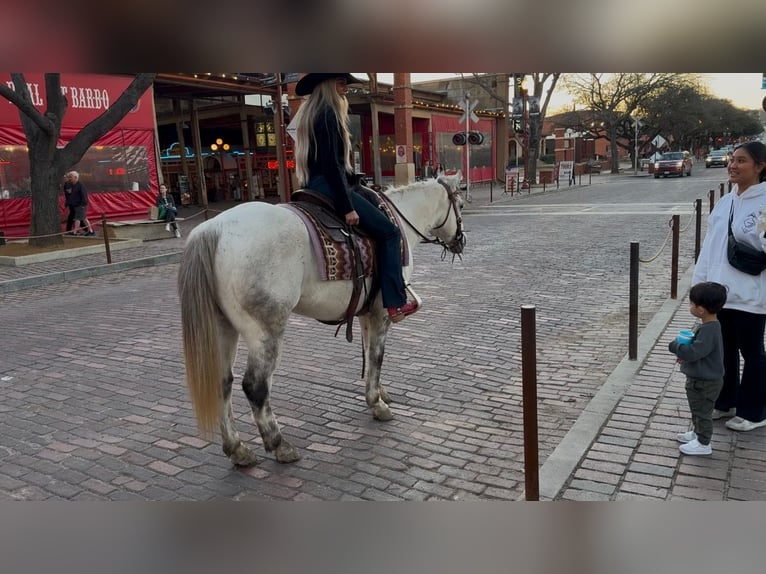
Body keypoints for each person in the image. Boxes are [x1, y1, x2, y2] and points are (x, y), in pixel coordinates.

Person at [292, 72, 418, 323]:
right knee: (390, 232)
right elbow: (331, 165)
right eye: (340, 82)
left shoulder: (309, 115)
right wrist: (347, 206)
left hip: (312, 184)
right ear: (328, 85)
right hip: (330, 185)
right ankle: (394, 303)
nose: (345, 88)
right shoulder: (328, 114)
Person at [692, 141, 766, 432]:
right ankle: (727, 402)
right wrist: (699, 286)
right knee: (724, 351)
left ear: (760, 167)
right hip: (720, 294)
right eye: (732, 160)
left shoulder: (763, 203)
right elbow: (710, 247)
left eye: (742, 161)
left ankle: (755, 411)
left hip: (751, 294)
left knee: (752, 351)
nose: (733, 165)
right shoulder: (726, 202)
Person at [668, 282, 727, 455]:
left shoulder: (710, 330)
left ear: (701, 309)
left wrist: (676, 346)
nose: (690, 307)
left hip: (705, 382)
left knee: (703, 411)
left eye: (691, 304)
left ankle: (703, 443)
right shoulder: (709, 326)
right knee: (697, 409)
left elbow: (695, 352)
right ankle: (697, 432)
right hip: (701, 379)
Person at [65, 171, 95, 236]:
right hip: (76, 204)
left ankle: (75, 232)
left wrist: (82, 204)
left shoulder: (80, 185)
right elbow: (73, 195)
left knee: (78, 218)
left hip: (81, 205)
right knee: (84, 218)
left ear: (75, 177)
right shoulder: (73, 185)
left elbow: (84, 195)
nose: (70, 178)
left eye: (71, 177)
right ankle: (90, 231)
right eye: (69, 177)